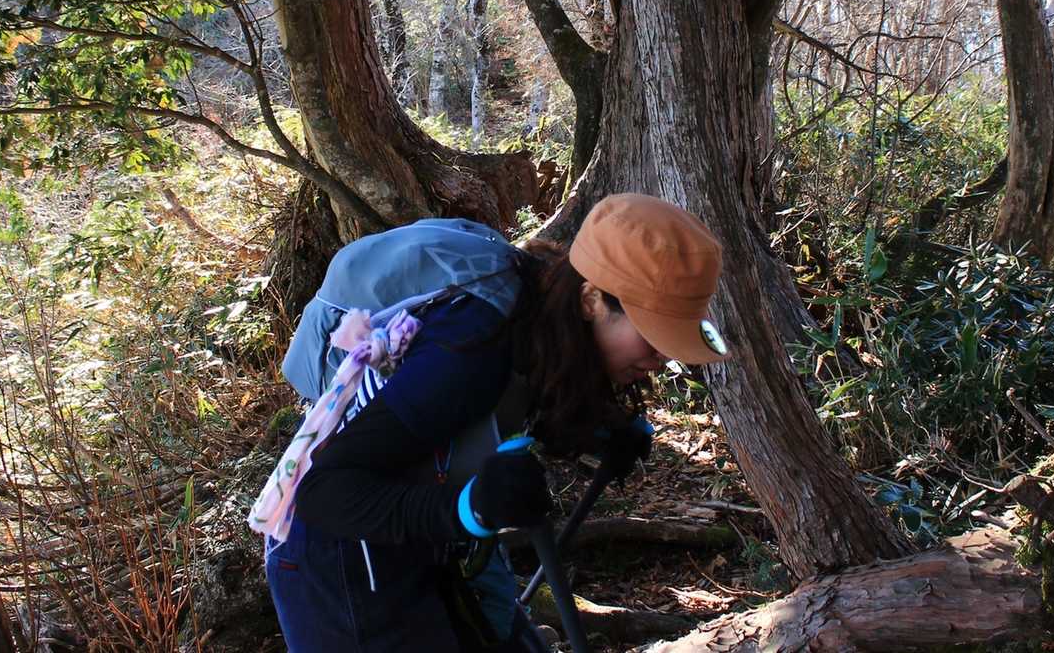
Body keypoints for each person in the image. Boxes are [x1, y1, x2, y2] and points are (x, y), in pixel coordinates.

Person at [263, 193, 731, 652]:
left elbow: (499, 403)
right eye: (651, 334)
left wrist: (600, 427)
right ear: (592, 299)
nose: (661, 356)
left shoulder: (540, 307)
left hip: (414, 540)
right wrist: (468, 508)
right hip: (341, 564)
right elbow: (320, 493)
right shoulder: (471, 350)